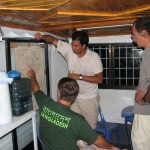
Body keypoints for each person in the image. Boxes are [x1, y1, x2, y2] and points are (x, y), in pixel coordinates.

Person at [27, 67, 119, 150]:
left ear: (58, 93)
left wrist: (32, 75)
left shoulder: (45, 103)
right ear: (74, 98)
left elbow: (36, 88)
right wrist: (111, 147)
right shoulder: (77, 120)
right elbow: (98, 140)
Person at [35, 31, 103, 129]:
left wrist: (79, 76)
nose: (73, 48)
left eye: (76, 46)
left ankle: (88, 144)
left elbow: (99, 79)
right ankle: (78, 144)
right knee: (73, 125)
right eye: (72, 45)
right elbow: (53, 40)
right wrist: (42, 36)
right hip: (73, 97)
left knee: (89, 128)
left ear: (84, 46)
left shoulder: (94, 57)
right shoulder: (70, 50)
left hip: (90, 98)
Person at [131, 15, 150, 150]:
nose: (132, 38)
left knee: (141, 145)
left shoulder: (149, 54)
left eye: (133, 34)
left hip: (145, 114)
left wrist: (144, 100)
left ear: (144, 34)